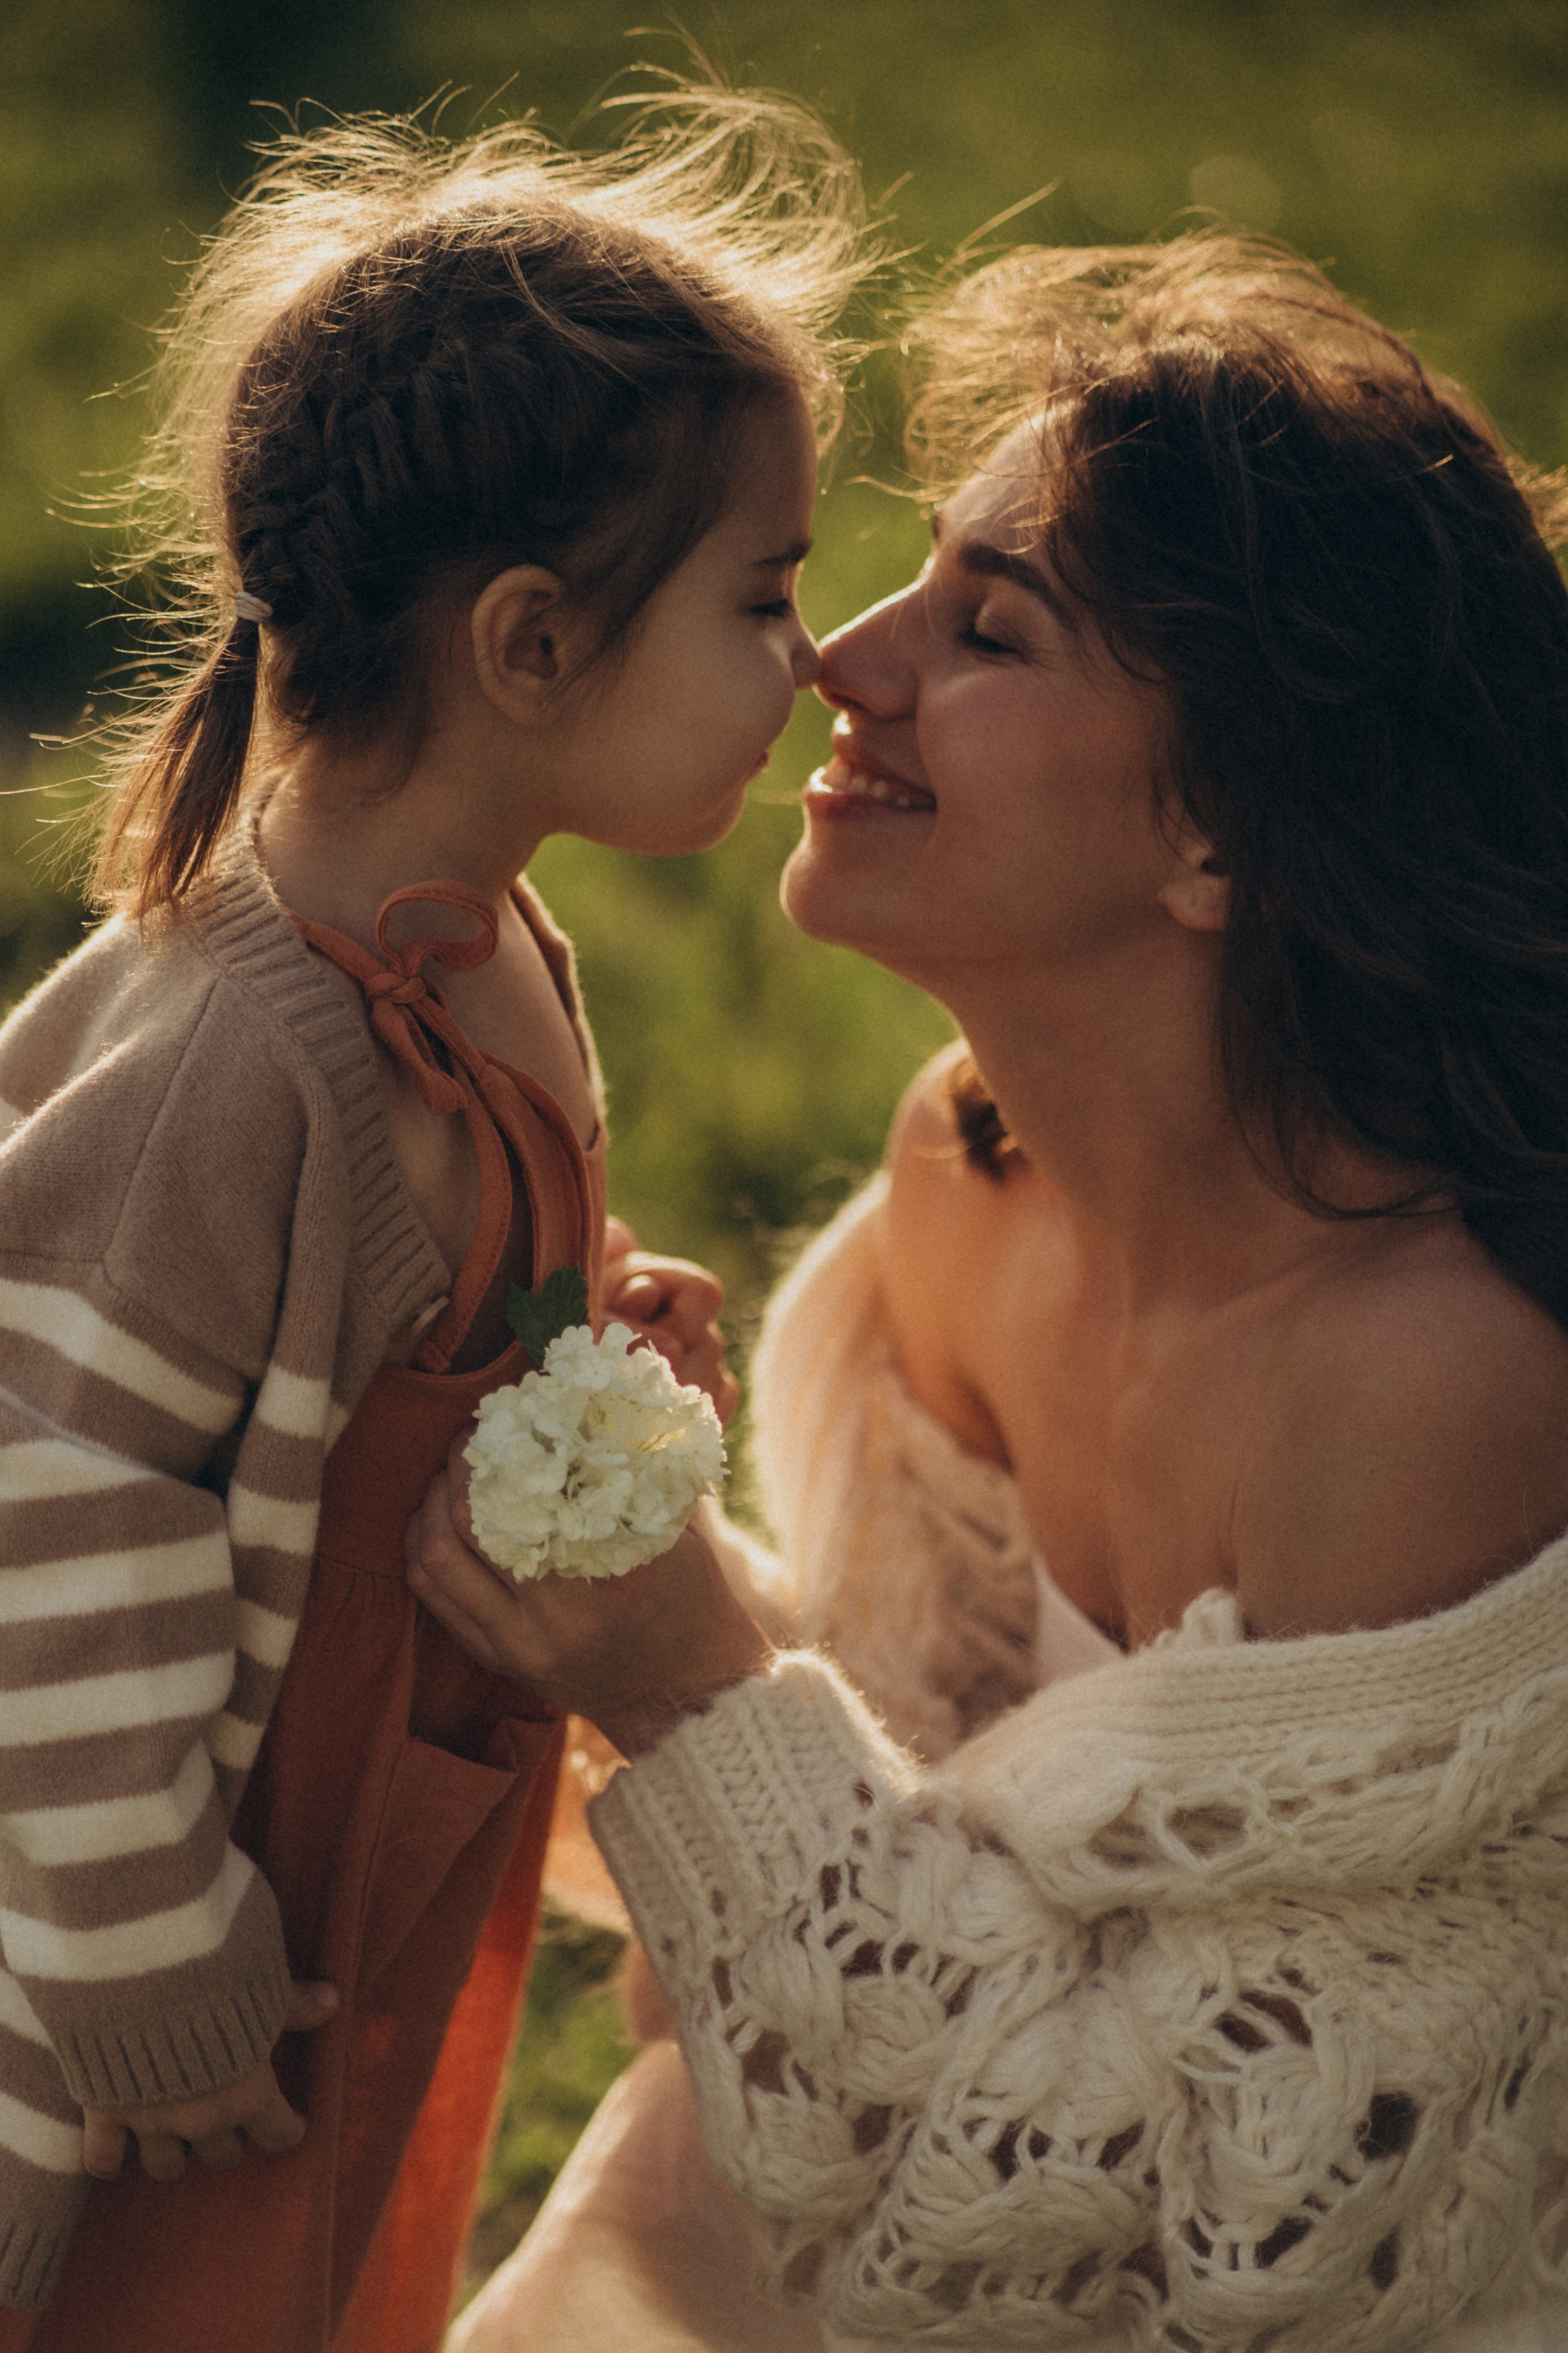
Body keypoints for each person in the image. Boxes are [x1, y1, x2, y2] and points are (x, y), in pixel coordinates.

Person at [411, 235, 1568, 2352]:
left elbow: (1213, 2246)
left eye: (991, 628)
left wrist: (680, 1682)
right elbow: (923, 1805)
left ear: (1223, 832)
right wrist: (601, 1521)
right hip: (866, 2181)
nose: (845, 657)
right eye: (901, 578)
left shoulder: (1440, 1382)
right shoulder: (971, 1168)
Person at [0, 89, 865, 2353]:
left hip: (370, 1827)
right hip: (168, 1919)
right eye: (764, 594)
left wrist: (570, 1343)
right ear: (530, 646)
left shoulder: (485, 942)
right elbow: (53, 1486)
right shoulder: (235, 1051)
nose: (816, 660)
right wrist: (133, 1950)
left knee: (334, 2258)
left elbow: (427, 1315)